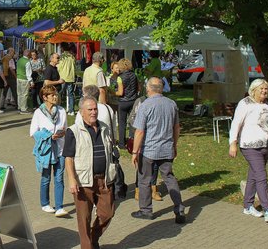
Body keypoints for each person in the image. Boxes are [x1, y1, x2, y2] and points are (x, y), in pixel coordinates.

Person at [64, 96, 117, 249]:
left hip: (104, 179)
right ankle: (87, 246)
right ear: (81, 112)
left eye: (95, 109)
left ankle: (93, 239)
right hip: (83, 181)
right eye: (90, 110)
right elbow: (69, 158)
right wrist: (72, 179)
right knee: (84, 219)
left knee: (108, 213)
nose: (94, 112)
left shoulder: (105, 128)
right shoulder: (73, 131)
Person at [130, 77, 186, 224]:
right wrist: (174, 145)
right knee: (169, 178)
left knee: (144, 180)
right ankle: (179, 208)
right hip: (166, 148)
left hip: (149, 149)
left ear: (148, 89)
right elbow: (176, 128)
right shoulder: (171, 104)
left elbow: (139, 131)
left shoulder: (145, 105)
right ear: (161, 88)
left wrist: (135, 152)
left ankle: (146, 210)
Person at [229, 79, 268, 223]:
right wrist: (232, 143)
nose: (264, 91)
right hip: (250, 146)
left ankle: (248, 206)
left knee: (253, 176)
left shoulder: (266, 104)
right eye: (262, 89)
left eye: (266, 89)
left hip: (266, 146)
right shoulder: (245, 103)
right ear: (254, 90)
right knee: (261, 176)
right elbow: (236, 123)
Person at [30, 85, 68, 217]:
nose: (55, 97)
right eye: (52, 95)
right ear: (45, 97)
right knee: (46, 178)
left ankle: (59, 207)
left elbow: (65, 128)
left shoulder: (62, 111)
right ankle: (45, 204)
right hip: (46, 151)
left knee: (59, 178)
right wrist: (48, 136)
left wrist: (62, 133)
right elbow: (33, 132)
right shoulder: (38, 113)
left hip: (60, 150)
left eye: (56, 94)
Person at [115, 58, 139, 149]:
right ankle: (131, 141)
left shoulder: (120, 77)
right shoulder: (134, 75)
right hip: (133, 101)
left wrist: (112, 92)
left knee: (122, 123)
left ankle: (121, 143)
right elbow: (138, 88)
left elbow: (120, 93)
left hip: (123, 102)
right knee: (132, 122)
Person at [57, 43, 77, 116]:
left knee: (59, 93)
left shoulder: (62, 57)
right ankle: (71, 110)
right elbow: (74, 67)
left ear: (62, 48)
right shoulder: (72, 57)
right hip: (70, 78)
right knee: (70, 94)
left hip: (63, 78)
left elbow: (59, 67)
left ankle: (57, 108)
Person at [16, 49, 34, 114]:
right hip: (24, 79)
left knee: (19, 94)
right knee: (24, 94)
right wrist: (31, 82)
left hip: (18, 78)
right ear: (28, 54)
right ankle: (23, 109)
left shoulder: (19, 60)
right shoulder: (27, 62)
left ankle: (20, 107)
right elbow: (28, 73)